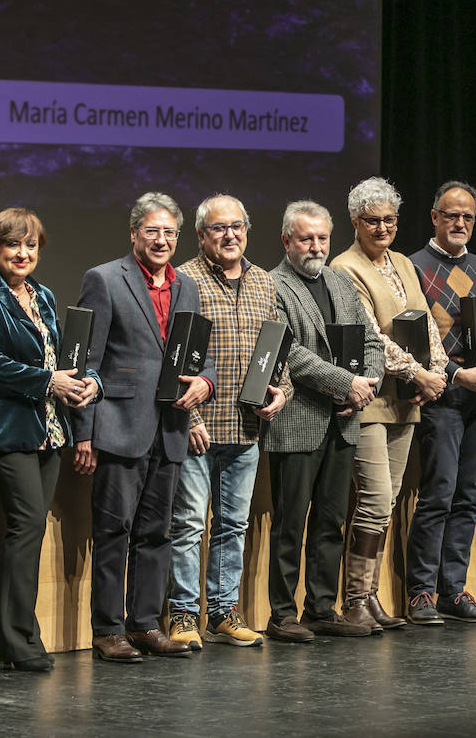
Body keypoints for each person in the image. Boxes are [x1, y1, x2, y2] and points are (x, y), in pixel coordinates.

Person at [74, 193, 214, 662]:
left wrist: (206, 384)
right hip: (118, 424)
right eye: (152, 231)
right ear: (134, 234)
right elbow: (87, 362)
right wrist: (85, 432)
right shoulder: (105, 279)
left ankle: (145, 624)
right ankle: (107, 629)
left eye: (169, 232)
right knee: (115, 531)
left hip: (169, 426)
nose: (161, 240)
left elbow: (198, 356)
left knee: (157, 533)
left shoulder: (187, 286)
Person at [0, 208, 100, 672]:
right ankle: (18, 638)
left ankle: (11, 638)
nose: (22, 254)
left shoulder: (41, 294)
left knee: (29, 531)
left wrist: (83, 381)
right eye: (12, 245)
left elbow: (62, 357)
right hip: (5, 430)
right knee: (25, 529)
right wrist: (48, 382)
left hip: (49, 430)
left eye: (31, 245)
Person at [167, 195, 289, 651]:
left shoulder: (263, 282)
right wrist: (190, 415)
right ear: (201, 236)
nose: (230, 235)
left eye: (236, 226)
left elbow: (277, 352)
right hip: (197, 429)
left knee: (233, 526)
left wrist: (282, 392)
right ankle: (182, 615)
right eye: (218, 228)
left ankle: (222, 612)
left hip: (247, 430)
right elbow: (175, 358)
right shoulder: (184, 280)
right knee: (188, 527)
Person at [330, 177, 450, 631]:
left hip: (407, 400)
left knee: (391, 498)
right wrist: (414, 371)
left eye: (389, 220)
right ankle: (355, 601)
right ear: (355, 222)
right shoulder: (345, 267)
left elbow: (427, 323)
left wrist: (436, 371)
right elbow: (369, 334)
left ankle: (372, 597)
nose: (382, 228)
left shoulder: (402, 262)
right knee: (376, 500)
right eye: (372, 221)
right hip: (371, 398)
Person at [265, 200, 384, 641]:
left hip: (344, 421)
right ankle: (281, 615)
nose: (315, 246)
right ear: (286, 241)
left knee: (331, 522)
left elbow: (372, 339)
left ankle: (320, 608)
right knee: (290, 524)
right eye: (305, 238)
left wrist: (366, 384)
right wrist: (346, 383)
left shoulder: (339, 280)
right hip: (297, 422)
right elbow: (289, 353)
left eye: (321, 238)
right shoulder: (272, 285)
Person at [404, 180, 476, 625]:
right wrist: (456, 375)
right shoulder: (412, 267)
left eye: (467, 216)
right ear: (434, 217)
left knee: (468, 496)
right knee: (437, 495)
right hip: (445, 397)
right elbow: (412, 338)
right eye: (451, 215)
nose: (459, 223)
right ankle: (420, 593)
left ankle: (453, 590)